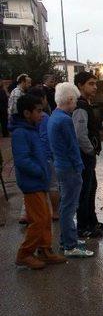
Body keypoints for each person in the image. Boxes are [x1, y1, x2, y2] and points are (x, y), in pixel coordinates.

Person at [10, 94, 67, 269]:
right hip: (32, 183)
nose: (42, 115)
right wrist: (40, 172)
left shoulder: (32, 129)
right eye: (39, 111)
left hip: (39, 182)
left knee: (45, 217)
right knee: (39, 220)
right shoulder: (20, 133)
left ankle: (45, 250)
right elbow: (22, 160)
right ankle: (25, 254)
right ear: (27, 113)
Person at [48, 82, 94, 258]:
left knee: (65, 205)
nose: (75, 104)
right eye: (74, 101)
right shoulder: (65, 120)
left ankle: (66, 239)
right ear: (69, 100)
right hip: (69, 168)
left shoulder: (54, 116)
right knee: (69, 206)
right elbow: (73, 146)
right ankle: (70, 245)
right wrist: (79, 166)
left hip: (60, 165)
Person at [74, 71, 103, 238]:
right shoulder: (80, 106)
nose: (95, 87)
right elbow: (80, 135)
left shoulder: (86, 103)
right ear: (80, 85)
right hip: (84, 156)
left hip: (87, 156)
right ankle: (83, 226)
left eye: (95, 84)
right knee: (84, 191)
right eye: (90, 84)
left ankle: (92, 221)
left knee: (91, 187)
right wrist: (90, 151)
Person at [28, 86, 60, 219]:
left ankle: (27, 214)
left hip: (31, 157)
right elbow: (47, 138)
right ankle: (55, 212)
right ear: (42, 99)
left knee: (32, 186)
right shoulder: (44, 117)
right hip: (45, 156)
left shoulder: (26, 118)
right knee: (53, 185)